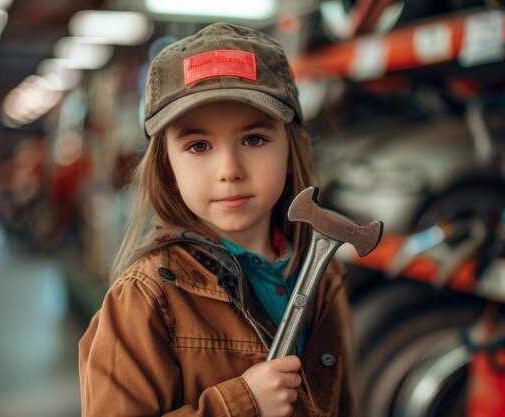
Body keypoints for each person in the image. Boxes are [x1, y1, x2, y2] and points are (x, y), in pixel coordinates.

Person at [79, 22, 361, 417]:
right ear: (166, 166)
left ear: (290, 146)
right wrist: (242, 404)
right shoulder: (145, 301)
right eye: (198, 146)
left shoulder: (320, 278)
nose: (229, 169)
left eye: (253, 139)